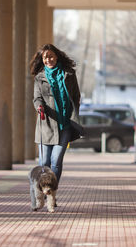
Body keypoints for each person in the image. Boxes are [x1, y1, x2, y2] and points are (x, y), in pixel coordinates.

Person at [31, 44, 83, 186]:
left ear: (57, 56)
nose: (48, 60)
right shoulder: (39, 78)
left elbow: (76, 95)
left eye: (51, 56)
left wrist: (74, 113)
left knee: (56, 161)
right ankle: (40, 189)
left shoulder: (69, 74)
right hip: (46, 125)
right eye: (45, 57)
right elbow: (37, 98)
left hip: (65, 125)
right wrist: (39, 107)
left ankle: (51, 191)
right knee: (44, 162)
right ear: (42, 59)